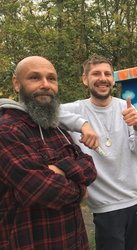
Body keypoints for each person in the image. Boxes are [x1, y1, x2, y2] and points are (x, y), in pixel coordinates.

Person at [0, 56, 97, 249]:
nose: (45, 84)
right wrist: (81, 189)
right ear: (17, 83)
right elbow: (44, 191)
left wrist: (57, 169)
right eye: (35, 78)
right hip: (30, 242)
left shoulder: (56, 127)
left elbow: (90, 168)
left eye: (51, 78)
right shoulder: (8, 131)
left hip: (74, 240)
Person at [60, 54, 137, 250]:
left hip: (136, 200)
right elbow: (43, 111)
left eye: (107, 74)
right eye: (96, 74)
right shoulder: (75, 109)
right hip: (106, 207)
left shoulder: (125, 108)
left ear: (113, 79)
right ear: (85, 80)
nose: (102, 78)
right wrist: (82, 124)